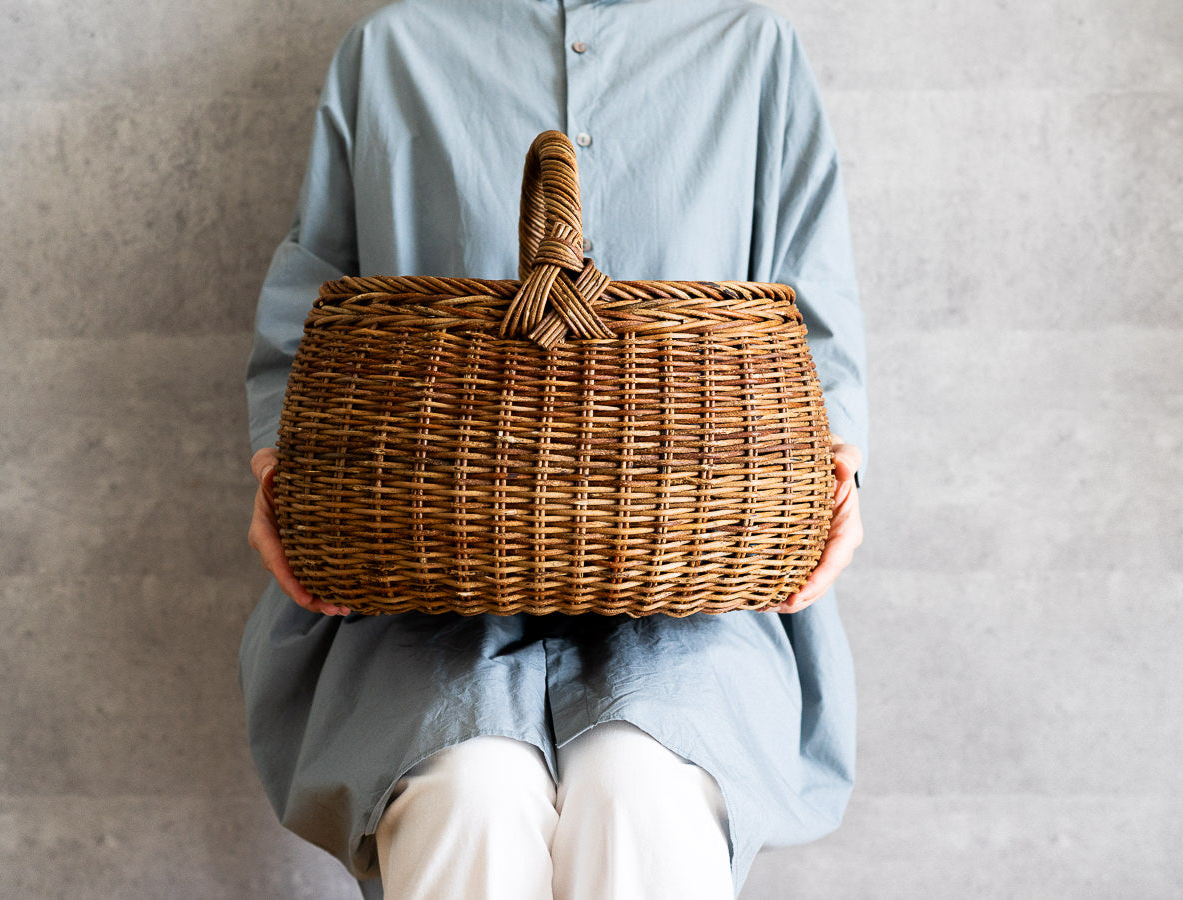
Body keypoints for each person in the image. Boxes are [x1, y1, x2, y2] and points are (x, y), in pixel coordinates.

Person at [241, 1, 867, 897]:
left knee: (646, 790)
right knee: (466, 795)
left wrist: (837, 472)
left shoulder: (752, 48)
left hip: (697, 593)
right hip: (424, 589)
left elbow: (818, 315)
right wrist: (280, 462)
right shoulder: (391, 52)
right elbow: (311, 304)